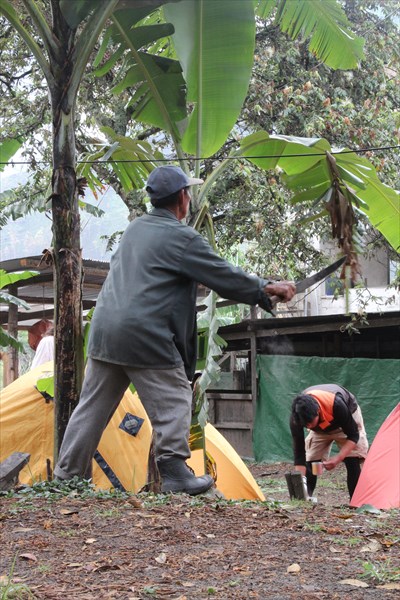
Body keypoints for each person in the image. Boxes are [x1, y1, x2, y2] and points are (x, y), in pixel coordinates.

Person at [54, 165, 296, 495]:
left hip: (105, 331)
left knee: (91, 408)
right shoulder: (181, 237)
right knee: (175, 398)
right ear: (183, 198)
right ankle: (174, 470)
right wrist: (265, 288)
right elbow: (222, 274)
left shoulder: (136, 228)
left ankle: (65, 477)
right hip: (144, 334)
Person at [290, 383, 369, 500]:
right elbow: (299, 453)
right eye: (305, 424)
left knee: (352, 459)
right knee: (311, 460)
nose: (308, 426)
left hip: (346, 422)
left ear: (317, 411)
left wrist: (338, 458)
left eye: (310, 422)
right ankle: (305, 498)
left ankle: (355, 501)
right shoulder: (297, 418)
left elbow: (353, 435)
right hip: (321, 428)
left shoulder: (337, 404)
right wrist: (300, 483)